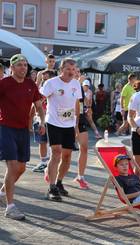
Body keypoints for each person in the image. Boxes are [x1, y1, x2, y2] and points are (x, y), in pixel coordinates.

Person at [0, 54, 45, 220]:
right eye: (19, 65)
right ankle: (10, 207)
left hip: (23, 131)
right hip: (5, 129)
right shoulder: (4, 83)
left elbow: (39, 106)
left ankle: (3, 191)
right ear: (12, 67)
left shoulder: (30, 84)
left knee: (21, 168)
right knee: (12, 167)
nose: (23, 68)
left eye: (25, 65)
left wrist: (41, 121)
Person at [40, 58, 82, 202]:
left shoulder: (76, 84)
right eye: (68, 69)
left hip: (68, 125)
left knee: (67, 156)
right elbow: (40, 99)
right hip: (53, 122)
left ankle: (58, 182)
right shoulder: (51, 83)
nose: (71, 72)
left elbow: (77, 105)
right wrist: (38, 119)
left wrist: (76, 125)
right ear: (61, 69)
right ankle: (51, 188)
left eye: (73, 69)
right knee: (56, 153)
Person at [32, 70, 56, 172]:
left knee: (53, 143)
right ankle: (43, 162)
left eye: (46, 78)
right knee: (41, 141)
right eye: (43, 79)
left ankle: (52, 163)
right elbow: (36, 102)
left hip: (52, 119)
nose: (44, 80)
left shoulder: (56, 89)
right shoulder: (41, 89)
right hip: (39, 118)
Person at [74, 80, 90, 189]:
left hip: (79, 120)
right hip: (63, 121)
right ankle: (50, 171)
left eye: (76, 71)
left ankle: (80, 176)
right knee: (62, 152)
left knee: (84, 148)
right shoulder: (58, 84)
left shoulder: (79, 87)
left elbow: (81, 104)